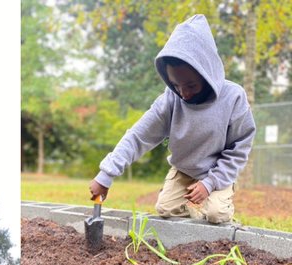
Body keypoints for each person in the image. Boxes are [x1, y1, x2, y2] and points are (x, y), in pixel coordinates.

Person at [89, 15, 255, 225]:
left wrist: (209, 183)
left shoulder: (233, 98)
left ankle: (218, 207)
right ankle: (194, 221)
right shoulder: (170, 99)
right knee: (165, 210)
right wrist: (106, 174)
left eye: (191, 86)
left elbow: (239, 149)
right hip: (184, 170)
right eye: (176, 85)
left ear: (207, 73)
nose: (183, 94)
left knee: (216, 214)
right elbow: (138, 136)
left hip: (217, 172)